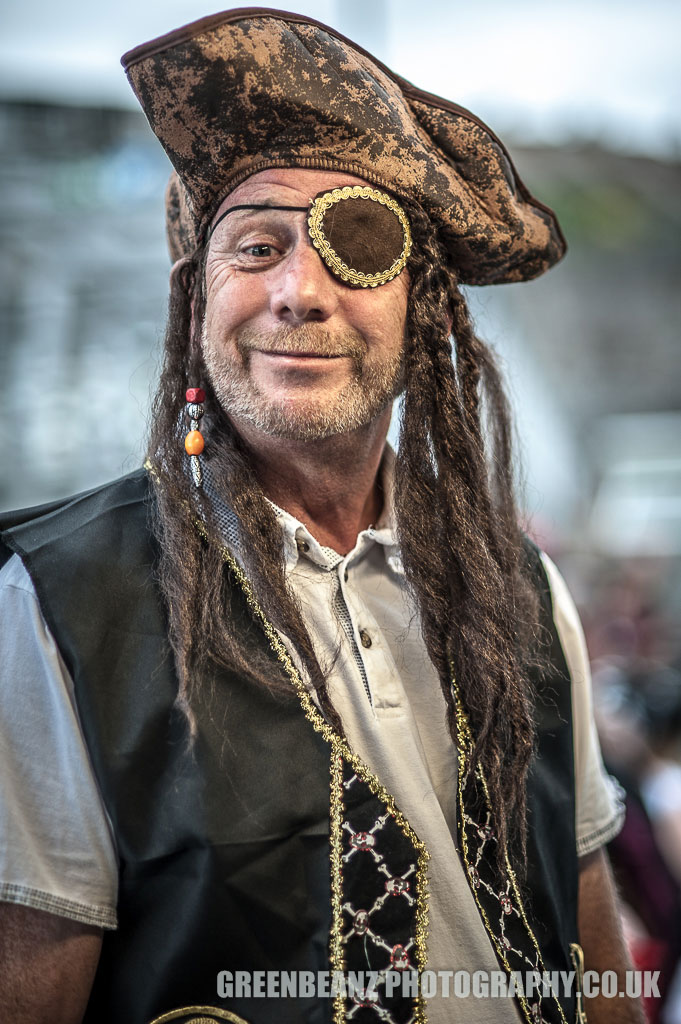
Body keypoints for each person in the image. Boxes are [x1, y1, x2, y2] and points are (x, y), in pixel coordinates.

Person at [0, 8, 642, 1024]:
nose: (300, 290)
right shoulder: (58, 605)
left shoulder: (521, 587)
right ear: (196, 300)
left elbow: (589, 912)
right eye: (255, 246)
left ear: (423, 308)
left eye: (358, 242)